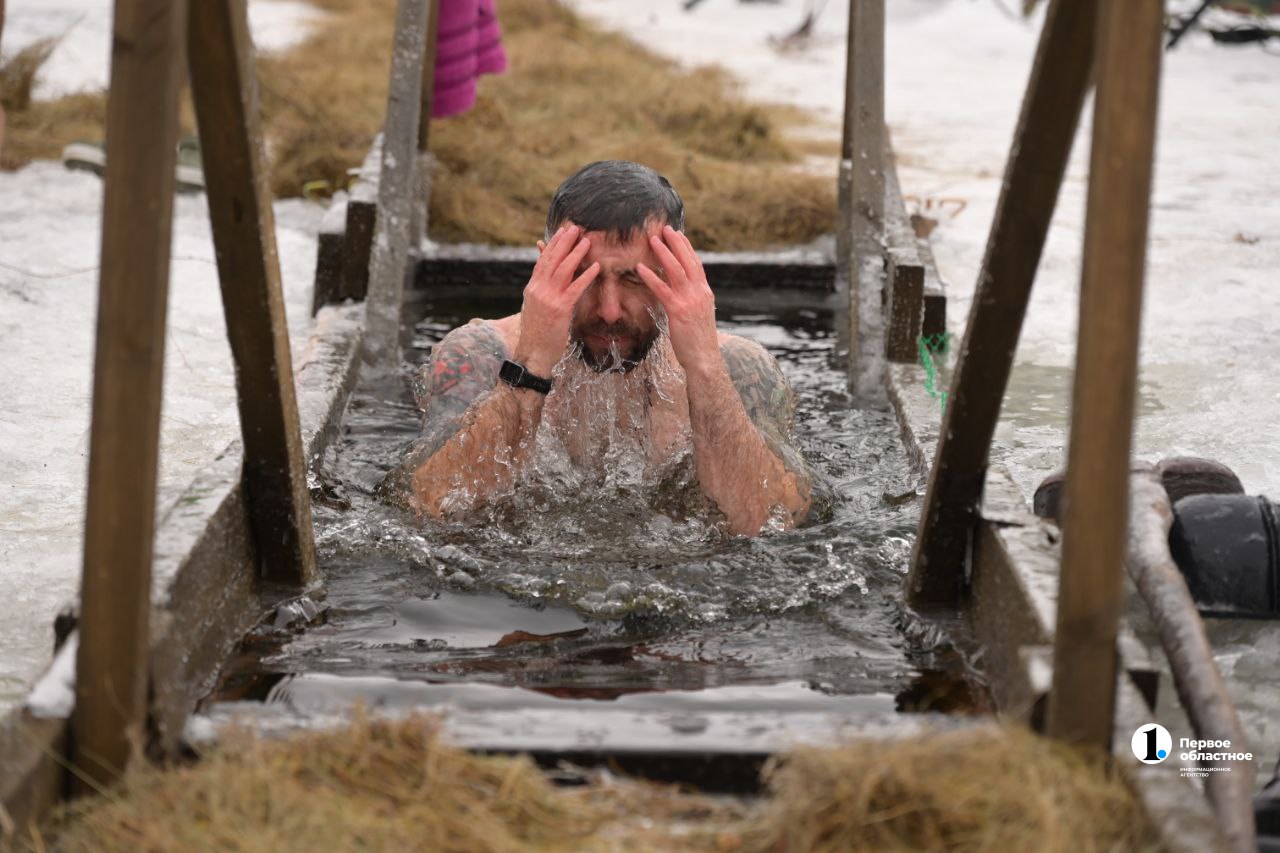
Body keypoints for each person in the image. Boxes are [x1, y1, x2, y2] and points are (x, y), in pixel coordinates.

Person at [387, 160, 813, 536]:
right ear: (547, 269)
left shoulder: (739, 365)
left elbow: (773, 519)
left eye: (634, 280)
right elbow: (428, 507)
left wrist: (703, 364)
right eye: (585, 278)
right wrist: (532, 364)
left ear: (678, 273)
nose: (609, 311)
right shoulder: (480, 354)